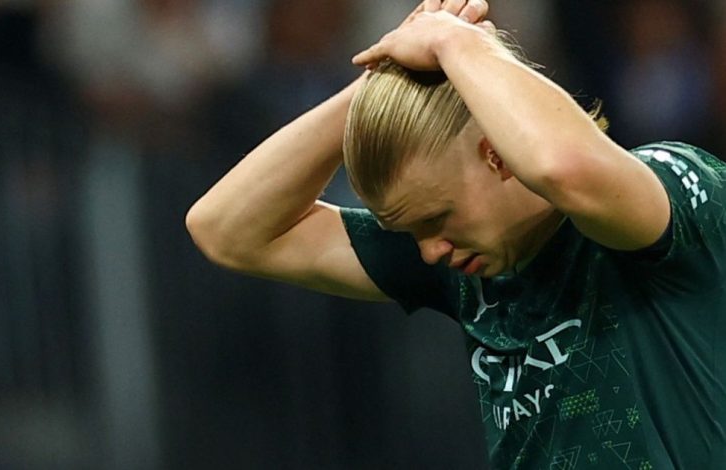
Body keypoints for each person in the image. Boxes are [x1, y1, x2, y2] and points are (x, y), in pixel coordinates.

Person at [186, 1, 726, 468]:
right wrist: (385, 73)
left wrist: (457, 42)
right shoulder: (465, 263)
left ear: (498, 155)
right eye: (412, 230)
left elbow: (566, 170)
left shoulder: (671, 186)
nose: (428, 250)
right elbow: (225, 229)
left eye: (437, 218)